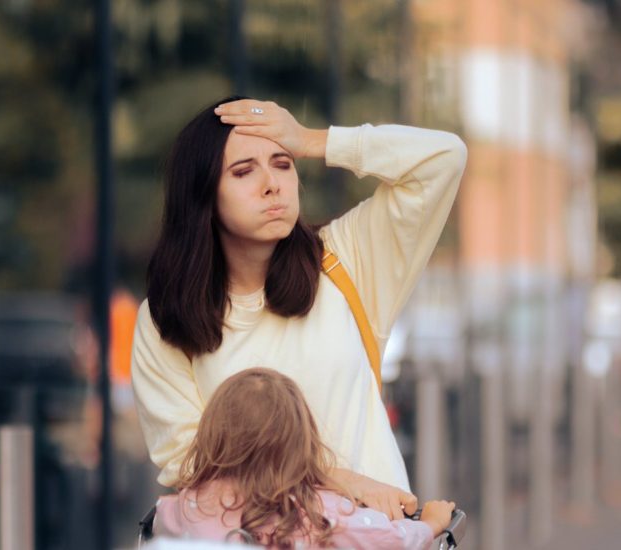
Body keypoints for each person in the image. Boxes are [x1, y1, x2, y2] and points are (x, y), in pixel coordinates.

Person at [131, 96, 467, 519]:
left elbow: (444, 158)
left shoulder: (346, 260)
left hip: (375, 539)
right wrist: (336, 476)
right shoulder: (166, 319)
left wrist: (311, 141)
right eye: (243, 171)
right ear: (203, 196)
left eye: (283, 163)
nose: (272, 183)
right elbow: (190, 463)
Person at [153, 368, 456, 548]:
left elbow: (158, 524)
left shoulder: (186, 505)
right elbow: (391, 541)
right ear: (301, 443)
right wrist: (430, 524)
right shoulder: (320, 513)